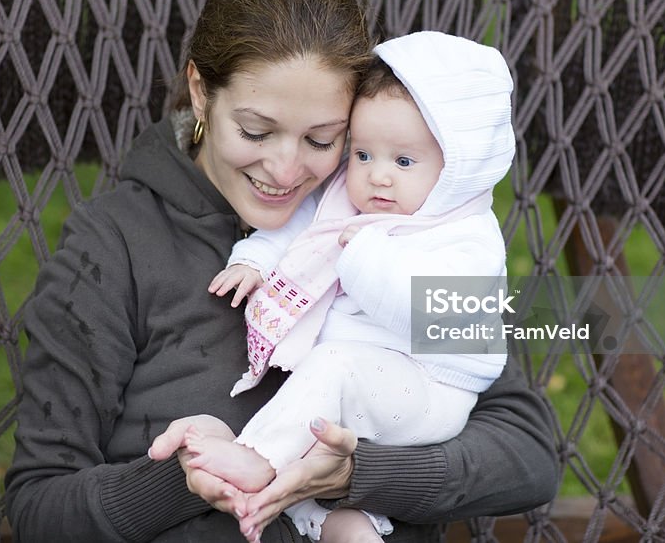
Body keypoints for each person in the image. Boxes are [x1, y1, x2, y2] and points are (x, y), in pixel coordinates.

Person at [4, 0, 559, 543]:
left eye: (324, 139)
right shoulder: (116, 245)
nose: (287, 171)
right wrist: (188, 475)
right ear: (200, 92)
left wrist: (355, 475)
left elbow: (525, 455)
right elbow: (41, 507)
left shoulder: (389, 224)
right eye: (255, 131)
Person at [176, 32, 514, 543]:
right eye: (362, 155)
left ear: (457, 172)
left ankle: (255, 457)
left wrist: (361, 256)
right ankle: (341, 526)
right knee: (322, 423)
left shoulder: (467, 238)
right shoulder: (351, 203)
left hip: (430, 392)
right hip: (360, 388)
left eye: (403, 162)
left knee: (333, 368)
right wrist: (254, 259)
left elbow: (422, 311)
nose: (378, 176)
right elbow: (300, 231)